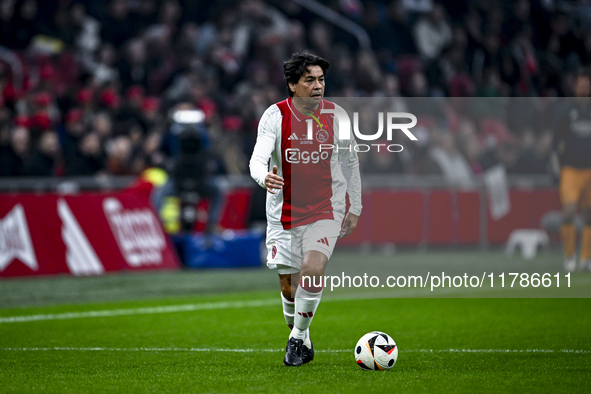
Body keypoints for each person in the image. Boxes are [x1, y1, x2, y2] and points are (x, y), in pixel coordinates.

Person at [249, 51, 362, 366]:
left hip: (325, 210)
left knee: (312, 271)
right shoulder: (274, 116)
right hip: (282, 215)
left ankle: (296, 340)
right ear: (292, 84)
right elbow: (257, 159)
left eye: (321, 80)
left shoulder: (336, 116)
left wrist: (356, 206)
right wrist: (263, 177)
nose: (318, 86)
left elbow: (351, 162)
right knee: (290, 289)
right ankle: (302, 335)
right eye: (309, 80)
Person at [554, 71, 591, 272]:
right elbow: (555, 142)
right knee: (568, 212)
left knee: (589, 215)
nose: (584, 89)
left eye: (587, 85)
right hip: (571, 170)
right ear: (575, 87)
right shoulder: (566, 112)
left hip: (590, 170)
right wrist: (555, 167)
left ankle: (586, 258)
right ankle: (569, 256)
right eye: (581, 85)